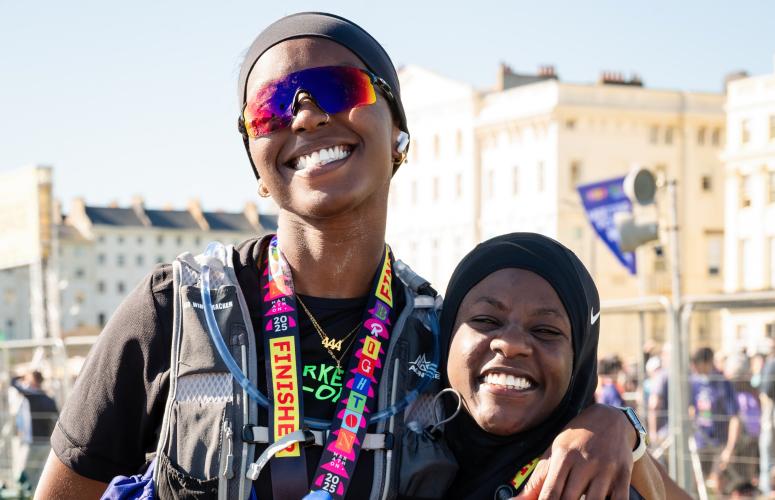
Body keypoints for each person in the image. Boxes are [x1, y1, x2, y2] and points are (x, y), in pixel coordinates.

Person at [37, 13, 650, 500]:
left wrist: (618, 425)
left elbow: (541, 432)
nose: (304, 114)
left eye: (338, 88)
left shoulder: (446, 332)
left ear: (399, 135)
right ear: (256, 162)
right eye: (270, 109)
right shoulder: (177, 311)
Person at [439, 233, 689, 499]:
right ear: (447, 333)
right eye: (486, 320)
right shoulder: (397, 433)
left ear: (579, 360)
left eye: (545, 330)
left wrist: (624, 433)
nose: (511, 344)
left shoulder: (596, 480)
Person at [690, 347, 741, 487]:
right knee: (695, 484)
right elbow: (691, 409)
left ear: (707, 363)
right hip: (700, 442)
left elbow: (735, 418)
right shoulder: (694, 382)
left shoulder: (724, 383)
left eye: (697, 363)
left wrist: (730, 448)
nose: (693, 367)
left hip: (719, 443)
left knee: (715, 485)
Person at [9, 371, 58, 489]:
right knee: (40, 472)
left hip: (35, 442)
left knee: (26, 472)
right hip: (47, 442)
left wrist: (22, 376)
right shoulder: (49, 398)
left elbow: (13, 382)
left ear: (34, 381)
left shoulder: (33, 395)